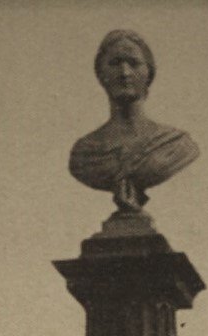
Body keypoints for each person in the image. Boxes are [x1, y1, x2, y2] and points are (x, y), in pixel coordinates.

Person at [69, 30, 199, 213]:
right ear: (100, 73)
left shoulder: (175, 144)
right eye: (114, 63)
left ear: (148, 72)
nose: (124, 73)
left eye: (134, 63)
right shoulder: (84, 154)